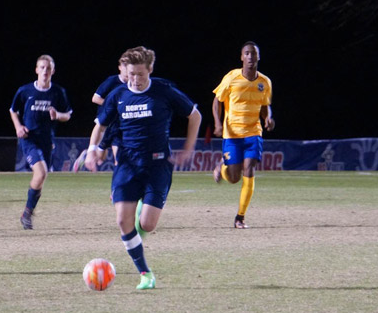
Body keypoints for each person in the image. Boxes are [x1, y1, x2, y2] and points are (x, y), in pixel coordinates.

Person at [85, 46, 202, 289]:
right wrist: (93, 149)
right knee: (122, 221)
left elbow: (195, 115)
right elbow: (100, 125)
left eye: (140, 74)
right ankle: (145, 274)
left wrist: (188, 149)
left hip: (158, 165)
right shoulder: (118, 95)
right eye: (131, 74)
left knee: (147, 224)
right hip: (127, 165)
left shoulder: (163, 91)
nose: (135, 80)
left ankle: (144, 206)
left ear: (150, 69)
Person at [211, 41, 275, 229]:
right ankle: (222, 168)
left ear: (258, 57)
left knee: (249, 170)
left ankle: (240, 217)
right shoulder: (231, 78)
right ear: (241, 57)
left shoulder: (265, 82)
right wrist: (217, 123)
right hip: (232, 134)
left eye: (253, 53)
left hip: (253, 133)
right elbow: (217, 101)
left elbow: (265, 105)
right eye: (246, 53)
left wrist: (268, 119)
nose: (250, 57)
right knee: (233, 177)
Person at [9, 54, 72, 229]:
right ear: (36, 70)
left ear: (53, 71)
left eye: (48, 68)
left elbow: (67, 115)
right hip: (30, 140)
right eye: (42, 67)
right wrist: (18, 127)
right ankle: (27, 214)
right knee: (41, 173)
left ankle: (27, 213)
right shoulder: (25, 91)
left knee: (41, 179)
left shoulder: (58, 92)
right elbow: (13, 110)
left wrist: (57, 115)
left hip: (47, 141)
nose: (45, 71)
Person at [73, 55, 128, 172]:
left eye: (129, 66)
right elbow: (95, 98)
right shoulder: (112, 81)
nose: (127, 69)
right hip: (107, 123)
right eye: (125, 66)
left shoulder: (131, 85)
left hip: (120, 124)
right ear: (119, 67)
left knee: (110, 158)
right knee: (101, 158)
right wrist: (113, 106)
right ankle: (86, 154)